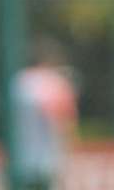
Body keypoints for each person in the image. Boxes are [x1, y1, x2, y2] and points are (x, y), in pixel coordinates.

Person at [13, 36, 78, 190]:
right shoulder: (55, 82)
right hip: (47, 159)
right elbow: (64, 120)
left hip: (19, 156)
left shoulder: (18, 82)